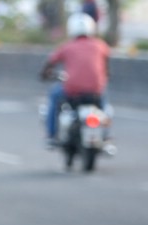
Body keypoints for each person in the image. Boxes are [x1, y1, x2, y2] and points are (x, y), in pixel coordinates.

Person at [40, 12, 110, 147]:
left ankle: (51, 135)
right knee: (104, 109)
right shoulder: (101, 46)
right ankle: (106, 136)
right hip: (95, 91)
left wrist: (44, 74)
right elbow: (106, 68)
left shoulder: (67, 46)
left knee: (54, 98)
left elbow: (50, 63)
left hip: (72, 90)